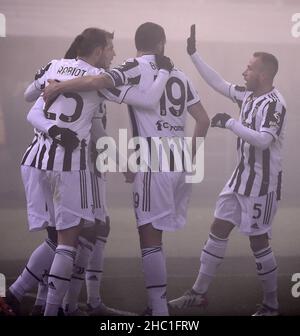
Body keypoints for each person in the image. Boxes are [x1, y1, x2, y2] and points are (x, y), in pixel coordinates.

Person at [3, 27, 172, 316]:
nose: (114, 54)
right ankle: (52, 307)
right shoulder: (99, 82)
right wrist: (165, 72)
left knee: (57, 238)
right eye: (110, 48)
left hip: (34, 160)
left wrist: (55, 85)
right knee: (69, 240)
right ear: (97, 51)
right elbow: (145, 101)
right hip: (68, 164)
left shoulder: (53, 65)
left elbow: (31, 97)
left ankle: (25, 297)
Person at [44, 22, 210, 316]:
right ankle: (155, 306)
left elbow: (98, 82)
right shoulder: (180, 74)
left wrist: (60, 85)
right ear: (161, 44)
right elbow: (203, 119)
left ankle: (158, 311)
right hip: (179, 162)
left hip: (153, 161)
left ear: (138, 43)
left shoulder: (131, 67)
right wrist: (189, 155)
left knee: (150, 238)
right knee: (157, 235)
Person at [168, 25, 287, 316]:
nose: (244, 72)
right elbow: (219, 83)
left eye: (249, 68)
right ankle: (198, 293)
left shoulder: (275, 105)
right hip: (240, 178)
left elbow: (262, 140)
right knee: (218, 227)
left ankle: (271, 305)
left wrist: (230, 124)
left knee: (258, 241)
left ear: (264, 75)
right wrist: (193, 54)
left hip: (263, 184)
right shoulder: (247, 95)